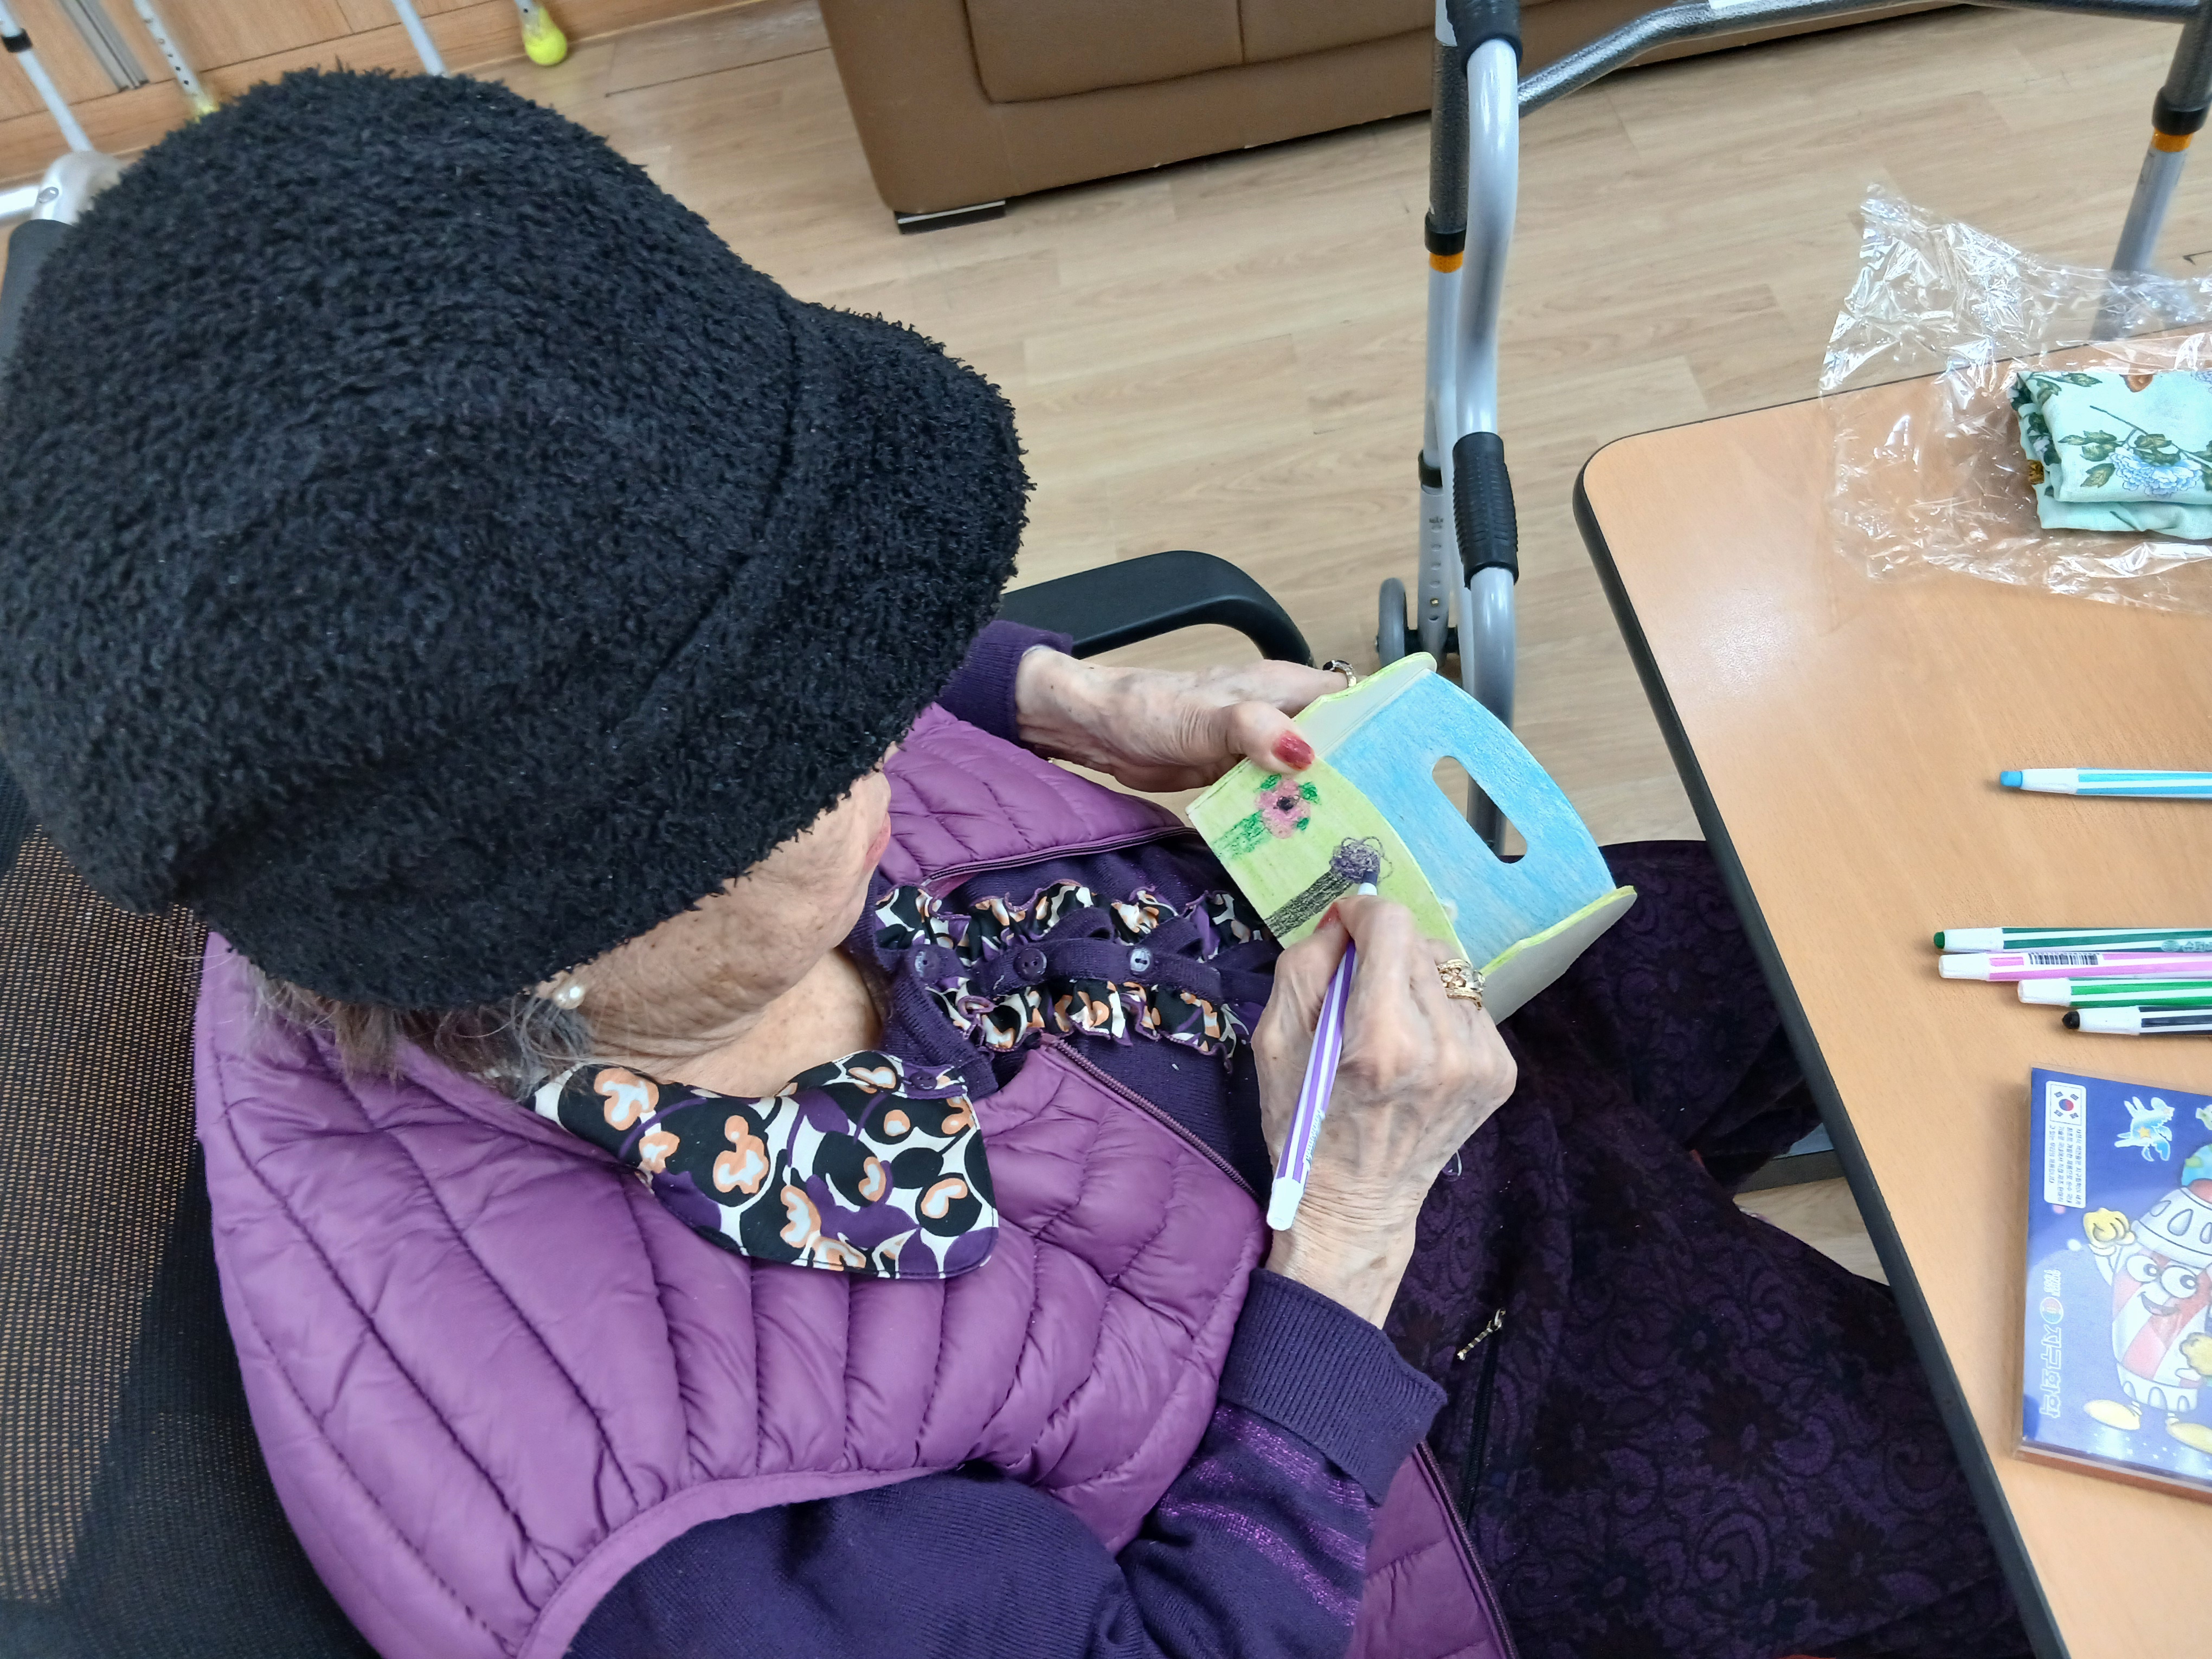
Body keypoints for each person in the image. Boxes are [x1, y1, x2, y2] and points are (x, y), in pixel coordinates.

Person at [0, 69, 2030, 1659]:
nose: (889, 727)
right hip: (1416, 1449)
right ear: (591, 910)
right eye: (824, 738)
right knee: (2022, 1498)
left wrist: (1074, 696)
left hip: (1261, 1030)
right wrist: (1349, 1232)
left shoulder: (361, 770)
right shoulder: (690, 1553)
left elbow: (692, 612)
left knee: (1903, 928)